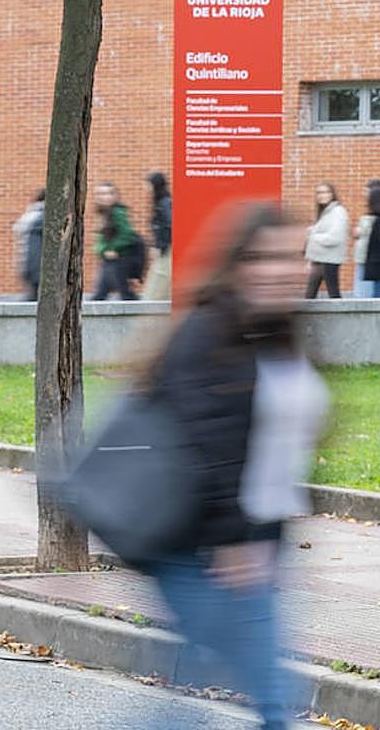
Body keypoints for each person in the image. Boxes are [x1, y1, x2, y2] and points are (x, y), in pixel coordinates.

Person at [142, 203, 327, 730]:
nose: (283, 269)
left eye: (293, 256)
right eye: (264, 257)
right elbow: (204, 442)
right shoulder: (205, 335)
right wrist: (231, 536)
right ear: (238, 264)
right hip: (204, 550)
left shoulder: (276, 333)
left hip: (257, 544)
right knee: (264, 699)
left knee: (248, 697)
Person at [92, 182, 141, 301]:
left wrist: (112, 248)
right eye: (101, 194)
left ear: (115, 196)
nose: (105, 197)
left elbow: (127, 234)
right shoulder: (104, 212)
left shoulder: (117, 212)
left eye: (109, 193)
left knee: (124, 296)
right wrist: (102, 250)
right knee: (101, 295)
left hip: (119, 261)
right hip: (109, 261)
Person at [305, 182, 349, 298]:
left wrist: (314, 235)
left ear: (332, 194)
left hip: (329, 260)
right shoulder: (326, 212)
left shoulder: (338, 211)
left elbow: (334, 238)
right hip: (319, 259)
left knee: (333, 295)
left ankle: (342, 315)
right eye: (319, 193)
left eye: (325, 192)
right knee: (310, 296)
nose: (321, 195)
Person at [143, 172, 172, 301]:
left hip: (166, 251)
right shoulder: (161, 202)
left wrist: (159, 247)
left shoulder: (164, 203)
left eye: (148, 184)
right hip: (164, 250)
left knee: (158, 283)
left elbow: (169, 225)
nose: (145, 188)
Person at [14, 189, 45, 301]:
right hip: (36, 268)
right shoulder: (42, 218)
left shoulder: (29, 215)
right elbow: (35, 248)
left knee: (33, 298)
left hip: (26, 265)